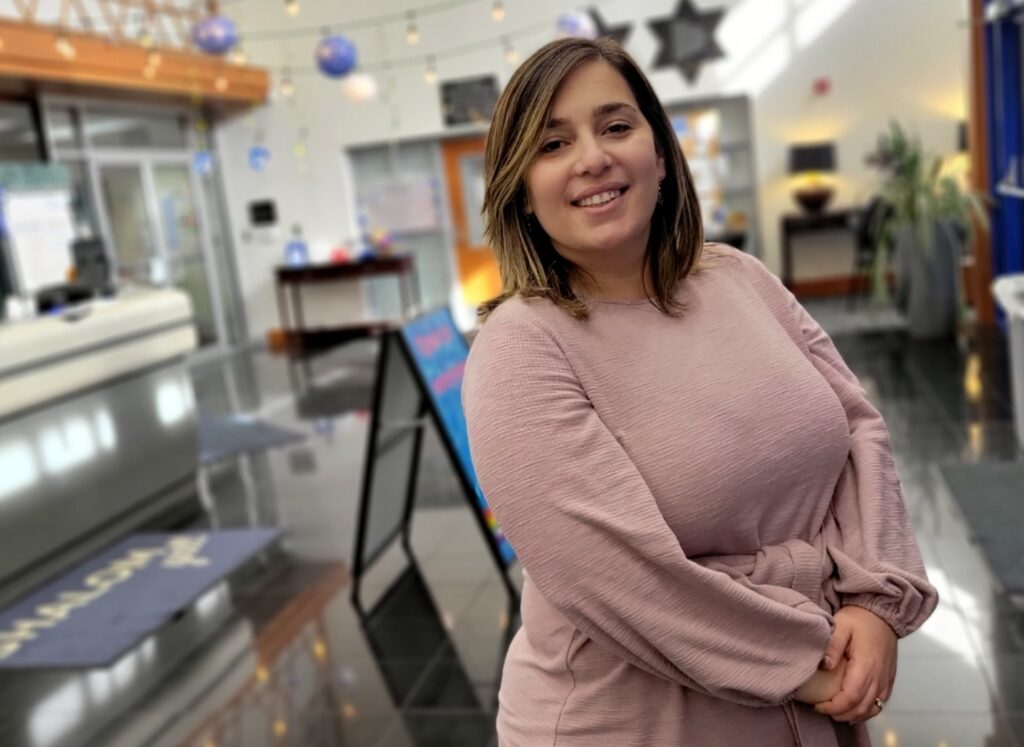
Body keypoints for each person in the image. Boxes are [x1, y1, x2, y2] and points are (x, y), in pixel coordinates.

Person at [461, 37, 939, 746]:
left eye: (616, 126)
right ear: (522, 192)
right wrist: (814, 663)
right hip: (638, 720)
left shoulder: (739, 277)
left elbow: (856, 427)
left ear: (660, 153)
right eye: (553, 143)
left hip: (819, 694)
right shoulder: (520, 348)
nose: (593, 156)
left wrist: (876, 600)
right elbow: (618, 580)